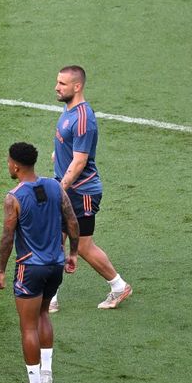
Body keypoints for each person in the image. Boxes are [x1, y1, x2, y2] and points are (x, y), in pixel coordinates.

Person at [0, 142, 79, 383]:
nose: (8, 165)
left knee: (27, 326)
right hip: (55, 265)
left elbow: (8, 237)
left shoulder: (14, 197)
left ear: (16, 165)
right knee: (44, 313)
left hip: (30, 268)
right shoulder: (55, 186)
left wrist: (0, 270)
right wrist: (73, 253)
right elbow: (72, 221)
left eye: (9, 162)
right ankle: (47, 374)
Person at [51, 65, 132, 311]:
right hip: (67, 186)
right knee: (56, 239)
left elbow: (80, 161)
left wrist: (61, 188)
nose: (57, 87)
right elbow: (70, 151)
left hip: (81, 192)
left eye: (62, 84)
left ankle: (119, 287)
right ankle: (50, 297)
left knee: (83, 246)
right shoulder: (68, 111)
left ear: (77, 86)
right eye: (57, 82)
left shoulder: (84, 118)